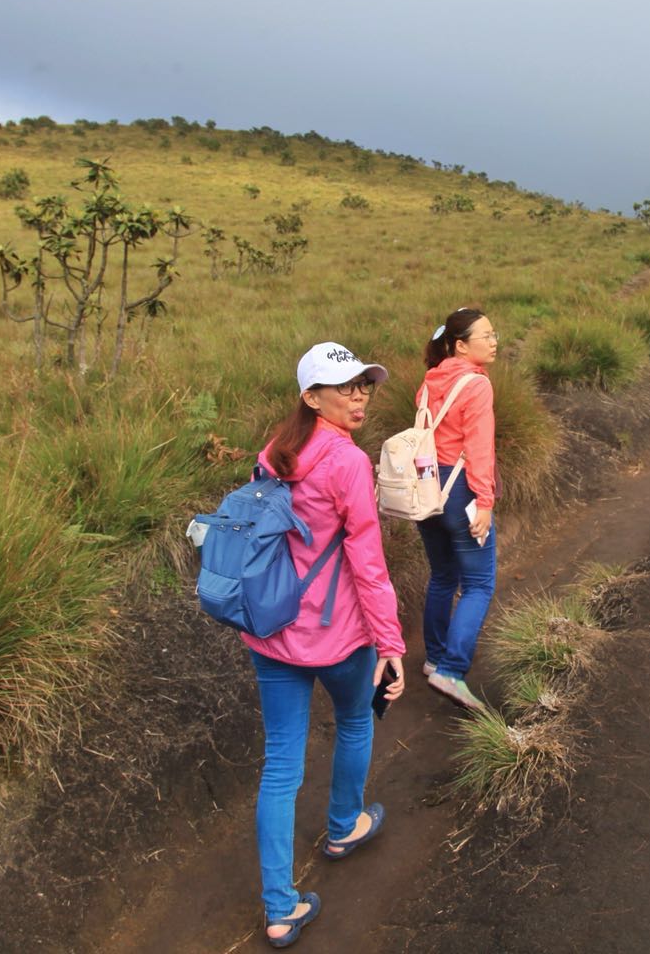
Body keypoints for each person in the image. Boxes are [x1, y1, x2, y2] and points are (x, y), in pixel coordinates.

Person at [246, 341, 407, 948]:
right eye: (345, 387)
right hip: (338, 635)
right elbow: (368, 565)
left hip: (271, 632)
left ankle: (280, 908)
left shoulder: (275, 452)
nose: (359, 395)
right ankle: (344, 826)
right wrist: (390, 644)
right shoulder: (346, 463)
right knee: (356, 722)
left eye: (364, 385)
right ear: (312, 397)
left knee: (281, 766)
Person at [416, 308, 499, 712]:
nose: (494, 340)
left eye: (494, 334)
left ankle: (434, 658)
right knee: (480, 583)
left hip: (426, 487)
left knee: (443, 576)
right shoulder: (477, 385)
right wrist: (484, 501)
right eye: (486, 335)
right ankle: (451, 670)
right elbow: (479, 448)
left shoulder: (431, 378)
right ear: (461, 344)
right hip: (461, 488)